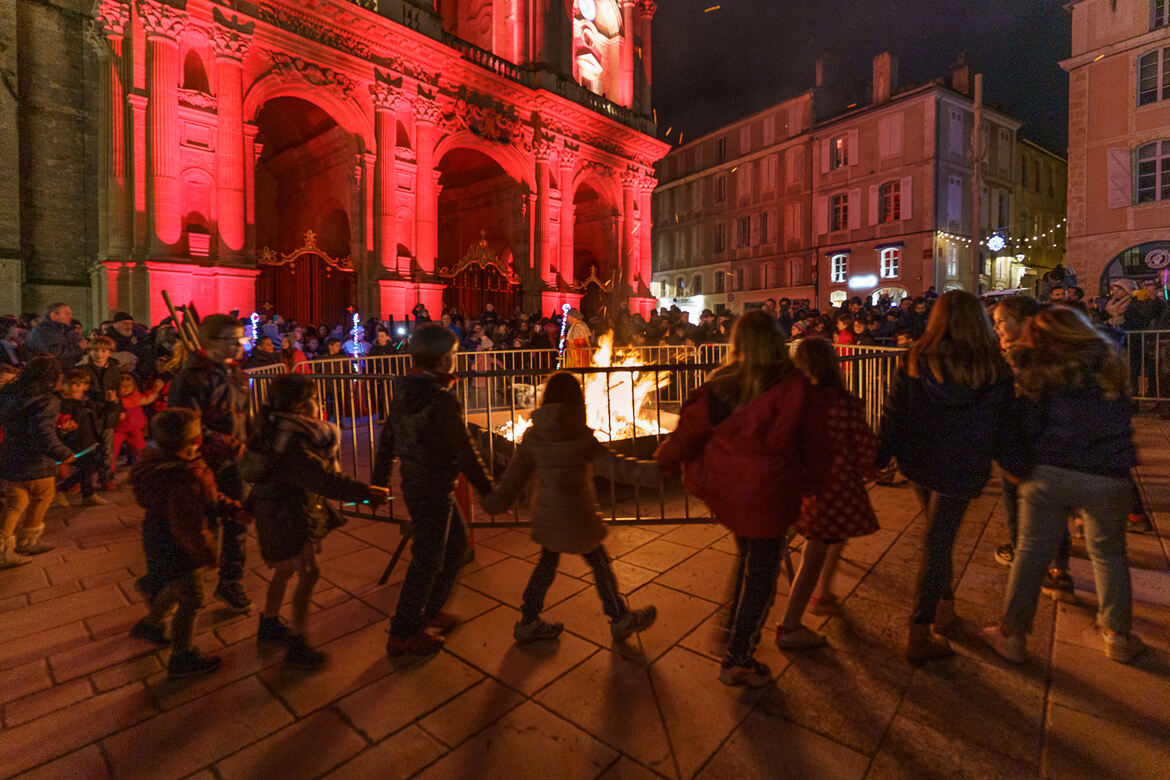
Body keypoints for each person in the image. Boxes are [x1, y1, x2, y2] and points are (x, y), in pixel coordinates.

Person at [657, 311, 830, 687]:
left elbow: (688, 433)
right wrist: (817, 485)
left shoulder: (720, 387)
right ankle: (739, 658)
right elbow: (817, 444)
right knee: (762, 577)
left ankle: (731, 628)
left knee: (748, 558)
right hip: (771, 497)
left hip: (732, 494)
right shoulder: (798, 389)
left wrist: (664, 461)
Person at [982, 307, 1145, 665]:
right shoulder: (1110, 364)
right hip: (1107, 473)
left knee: (1030, 553)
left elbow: (1025, 423)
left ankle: (1012, 635)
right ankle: (1116, 635)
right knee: (1109, 553)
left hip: (1050, 470)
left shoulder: (1038, 368)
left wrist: (1016, 466)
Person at [878, 290, 1014, 664]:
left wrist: (881, 454)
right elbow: (1004, 425)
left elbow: (893, 415)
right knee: (939, 541)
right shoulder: (993, 367)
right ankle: (920, 632)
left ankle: (944, 604)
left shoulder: (915, 360)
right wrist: (1014, 465)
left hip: (920, 459)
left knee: (937, 537)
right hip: (963, 464)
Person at [482, 372, 660, 643]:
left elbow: (514, 478)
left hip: (548, 517)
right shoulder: (582, 437)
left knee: (546, 566)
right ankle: (619, 617)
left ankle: (528, 619)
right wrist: (656, 472)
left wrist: (495, 502)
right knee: (599, 565)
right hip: (579, 517)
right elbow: (618, 467)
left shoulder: (533, 437)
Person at [241, 374, 388, 669]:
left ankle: (269, 623)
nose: (318, 404)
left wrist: (248, 507)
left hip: (274, 512)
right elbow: (321, 478)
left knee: (283, 571)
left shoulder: (272, 427)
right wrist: (366, 493)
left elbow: (264, 477)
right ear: (299, 405)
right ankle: (299, 641)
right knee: (308, 573)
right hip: (288, 515)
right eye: (314, 398)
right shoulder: (292, 440)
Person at [373, 324, 494, 657]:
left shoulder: (404, 390)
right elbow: (464, 450)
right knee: (427, 559)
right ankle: (403, 632)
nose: (455, 360)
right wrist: (489, 490)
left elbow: (387, 441)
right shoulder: (440, 400)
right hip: (432, 487)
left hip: (417, 484)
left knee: (454, 545)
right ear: (443, 361)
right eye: (454, 356)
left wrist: (379, 481)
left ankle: (428, 610)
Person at [776, 339, 880, 647]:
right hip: (832, 489)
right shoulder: (842, 403)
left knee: (827, 540)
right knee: (815, 553)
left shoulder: (794, 402)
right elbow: (864, 443)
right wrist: (872, 462)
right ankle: (790, 625)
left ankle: (825, 595)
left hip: (804, 485)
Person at [128, 409, 234, 678]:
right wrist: (209, 554)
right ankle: (182, 656)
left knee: (176, 586)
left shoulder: (163, 464)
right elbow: (190, 526)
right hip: (178, 545)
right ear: (195, 438)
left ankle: (150, 624)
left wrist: (230, 507)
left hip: (159, 537)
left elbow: (204, 496)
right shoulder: (185, 475)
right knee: (192, 599)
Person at [168, 314, 253, 612]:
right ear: (211, 343)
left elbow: (243, 416)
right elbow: (184, 424)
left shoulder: (236, 375)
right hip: (204, 464)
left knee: (237, 522)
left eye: (242, 339)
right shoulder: (190, 379)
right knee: (204, 527)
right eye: (233, 340)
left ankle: (231, 580)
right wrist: (226, 444)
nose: (240, 345)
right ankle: (170, 591)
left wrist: (253, 438)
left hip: (236, 463)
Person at [0, 355, 75, 568]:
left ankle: (6, 548)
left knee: (15, 503)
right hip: (35, 462)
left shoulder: (9, 394)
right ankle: (25, 540)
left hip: (10, 456)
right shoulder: (45, 400)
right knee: (43, 495)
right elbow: (42, 434)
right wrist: (62, 453)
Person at [57, 369, 109, 506]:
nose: (75, 387)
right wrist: (65, 428)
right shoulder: (65, 404)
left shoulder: (86, 401)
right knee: (87, 468)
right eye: (71, 384)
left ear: (85, 386)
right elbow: (63, 423)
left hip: (89, 440)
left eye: (79, 384)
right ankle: (86, 495)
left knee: (89, 469)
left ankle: (63, 490)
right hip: (74, 442)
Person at [79, 335, 125, 490]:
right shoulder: (83, 369)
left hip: (109, 412)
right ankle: (84, 477)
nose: (99, 354)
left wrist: (119, 407)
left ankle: (106, 477)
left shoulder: (114, 369)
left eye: (103, 351)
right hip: (90, 412)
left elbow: (118, 390)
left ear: (109, 353)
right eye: (96, 350)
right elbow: (81, 390)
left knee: (107, 448)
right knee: (90, 447)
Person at [110, 372, 156, 476]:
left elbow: (147, 399)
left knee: (141, 450)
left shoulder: (136, 397)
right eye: (123, 386)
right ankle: (108, 474)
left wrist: (155, 392)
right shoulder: (115, 400)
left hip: (134, 430)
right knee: (111, 453)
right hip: (118, 430)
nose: (126, 389)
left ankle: (145, 470)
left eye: (129, 386)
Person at [25, 302, 84, 369]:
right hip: (48, 372)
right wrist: (78, 347)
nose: (71, 317)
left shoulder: (60, 330)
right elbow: (55, 354)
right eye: (67, 314)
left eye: (71, 314)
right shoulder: (46, 330)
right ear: (53, 316)